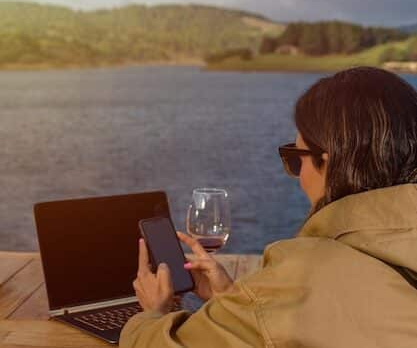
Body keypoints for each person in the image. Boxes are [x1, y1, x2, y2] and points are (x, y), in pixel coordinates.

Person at [120, 66, 417, 348]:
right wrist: (239, 302)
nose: (297, 175)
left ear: (327, 162)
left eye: (295, 157)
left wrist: (153, 313)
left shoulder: (306, 274)